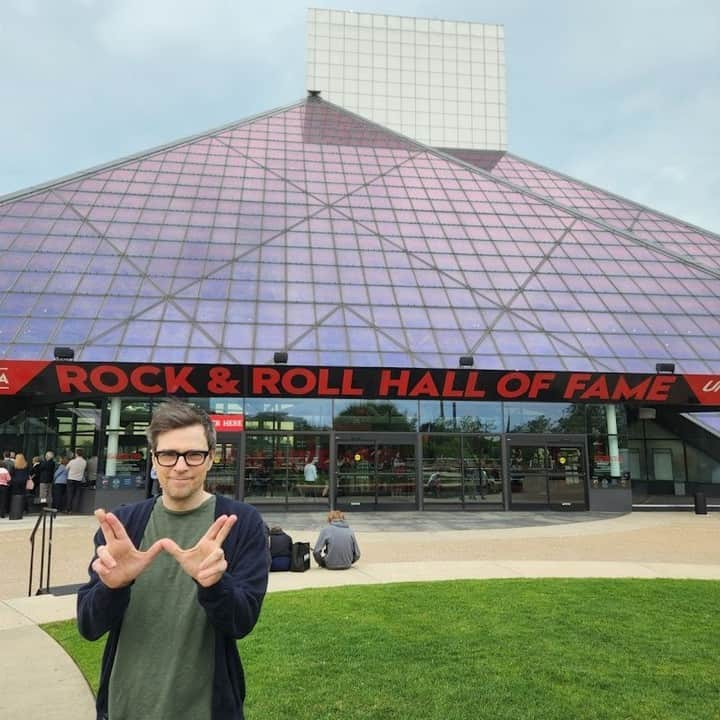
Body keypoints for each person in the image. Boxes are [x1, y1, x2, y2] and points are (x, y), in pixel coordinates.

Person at [77, 398, 269, 720]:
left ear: (210, 459)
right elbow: (89, 626)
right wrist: (113, 587)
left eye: (194, 454)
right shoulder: (123, 526)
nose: (180, 466)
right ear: (154, 459)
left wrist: (214, 585)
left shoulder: (239, 523)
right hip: (124, 707)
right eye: (168, 454)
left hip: (204, 711)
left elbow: (241, 622)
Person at [65, 448, 87, 514]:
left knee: (70, 495)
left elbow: (66, 468)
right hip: (79, 480)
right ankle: (75, 510)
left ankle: (68, 509)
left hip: (71, 479)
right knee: (77, 495)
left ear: (76, 454)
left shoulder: (72, 461)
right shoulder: (84, 462)